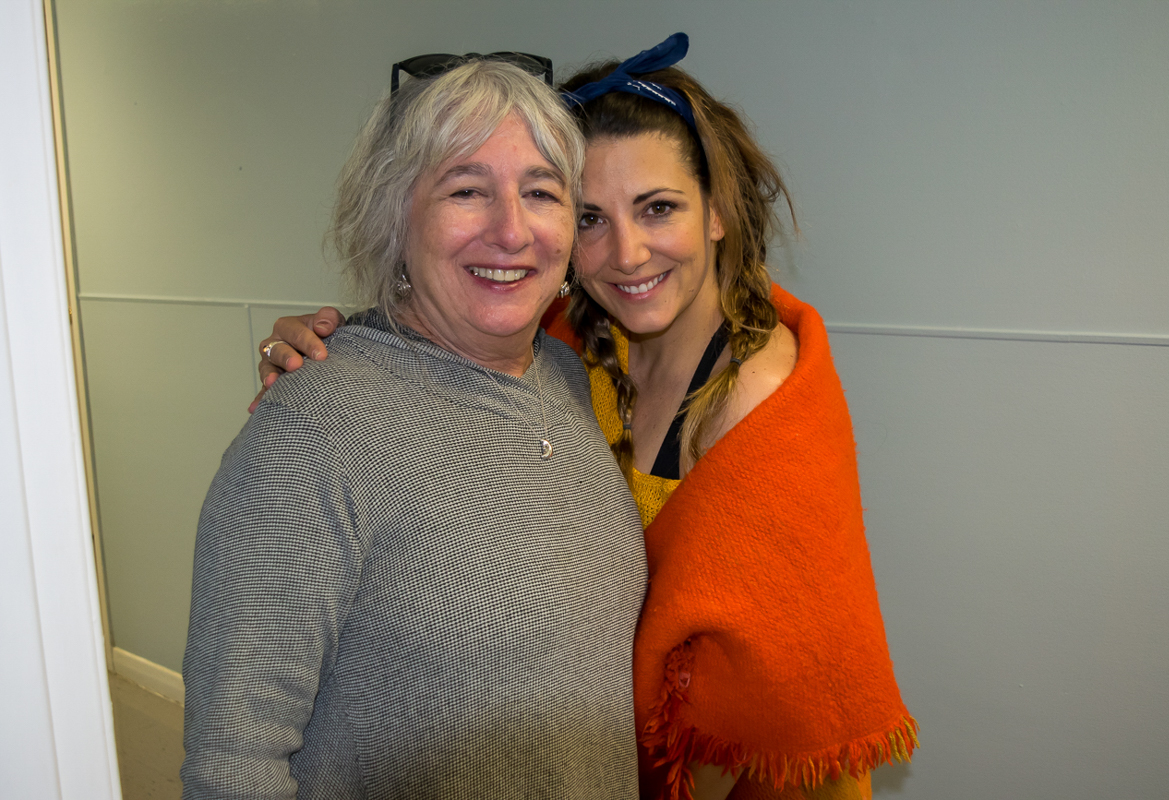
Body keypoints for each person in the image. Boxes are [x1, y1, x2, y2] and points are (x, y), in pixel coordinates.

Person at [253, 35, 917, 800]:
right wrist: (331, 347)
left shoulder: (761, 400)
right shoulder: (572, 346)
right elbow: (444, 357)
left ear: (717, 212)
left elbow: (754, 714)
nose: (626, 254)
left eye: (658, 208)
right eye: (592, 218)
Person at [181, 58, 648, 800]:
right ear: (395, 219)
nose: (511, 229)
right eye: (466, 190)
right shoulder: (311, 430)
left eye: (541, 192)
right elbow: (232, 764)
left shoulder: (569, 380)